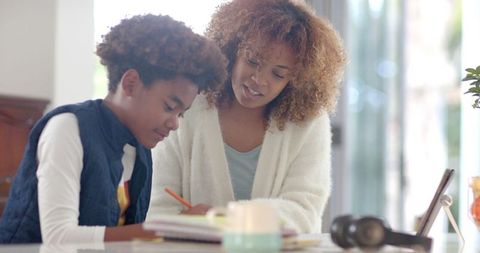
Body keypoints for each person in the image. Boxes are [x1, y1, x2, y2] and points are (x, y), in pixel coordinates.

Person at [0, 14, 227, 243]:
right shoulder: (68, 128)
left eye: (181, 113)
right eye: (169, 107)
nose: (175, 123)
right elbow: (59, 237)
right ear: (130, 83)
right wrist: (174, 226)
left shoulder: (139, 148)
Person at [149, 0, 346, 233]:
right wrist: (184, 221)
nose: (258, 80)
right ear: (231, 51)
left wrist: (225, 218)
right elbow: (157, 207)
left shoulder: (308, 121)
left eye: (278, 74)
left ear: (296, 79)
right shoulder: (189, 106)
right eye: (252, 61)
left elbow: (304, 211)